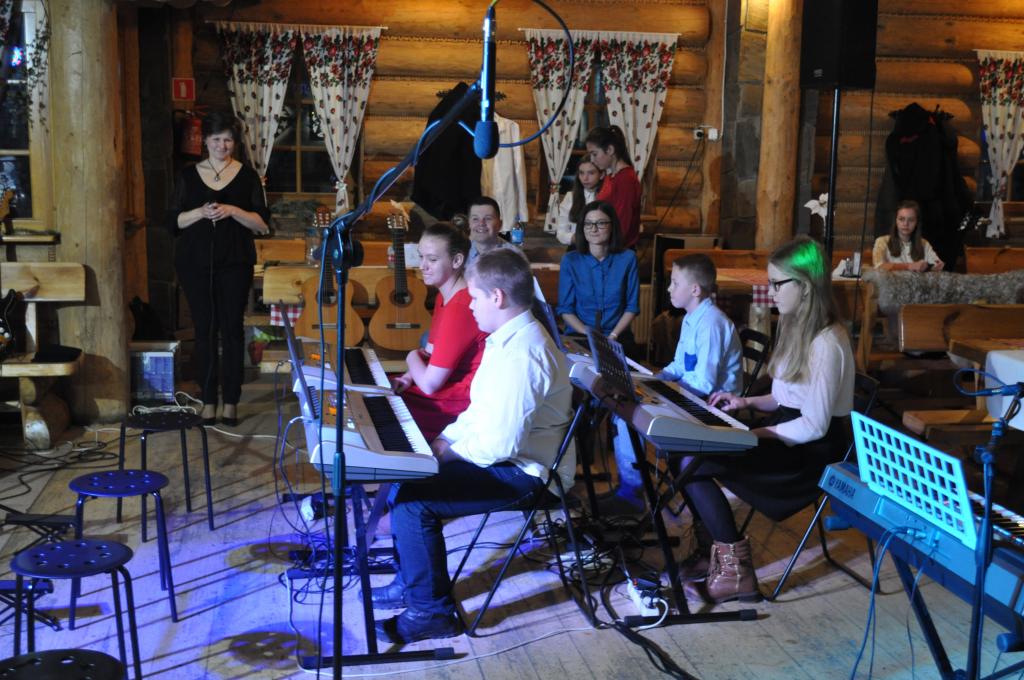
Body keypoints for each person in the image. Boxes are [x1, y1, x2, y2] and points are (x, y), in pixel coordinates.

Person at [372, 248, 575, 644]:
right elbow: (479, 413)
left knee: (414, 503)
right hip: (507, 459)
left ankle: (430, 613)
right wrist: (443, 440)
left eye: (475, 297)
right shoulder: (505, 340)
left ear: (497, 297)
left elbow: (500, 444)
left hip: (528, 474)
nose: (470, 306)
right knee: (407, 476)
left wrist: (445, 454)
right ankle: (412, 585)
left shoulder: (524, 353)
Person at [680, 236, 855, 603]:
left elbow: (814, 425)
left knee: (696, 462)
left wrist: (754, 433)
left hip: (812, 453)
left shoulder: (827, 341)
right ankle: (717, 553)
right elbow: (784, 397)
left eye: (777, 284)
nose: (770, 292)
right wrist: (744, 401)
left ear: (804, 285)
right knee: (687, 448)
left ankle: (736, 573)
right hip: (786, 431)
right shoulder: (794, 324)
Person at [598, 253, 743, 516]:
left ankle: (631, 493)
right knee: (623, 406)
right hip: (694, 396)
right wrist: (655, 380)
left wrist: (660, 393)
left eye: (675, 283)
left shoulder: (712, 324)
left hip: (712, 408)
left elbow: (704, 383)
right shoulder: (691, 317)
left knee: (632, 412)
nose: (669, 288)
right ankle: (629, 488)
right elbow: (679, 365)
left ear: (695, 290)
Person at [167, 111, 270, 426]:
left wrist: (233, 210)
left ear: (234, 142)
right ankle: (209, 398)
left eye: (227, 140)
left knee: (232, 329)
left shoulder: (247, 176)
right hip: (194, 263)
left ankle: (232, 402)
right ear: (205, 141)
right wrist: (200, 212)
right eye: (216, 139)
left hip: (235, 262)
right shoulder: (188, 176)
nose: (222, 146)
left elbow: (262, 224)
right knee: (204, 331)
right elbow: (174, 221)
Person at [391, 223, 488, 441]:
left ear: (457, 261)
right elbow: (430, 352)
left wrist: (410, 356)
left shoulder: (461, 305)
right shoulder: (443, 296)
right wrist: (407, 377)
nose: (422, 266)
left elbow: (429, 384)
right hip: (444, 385)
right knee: (377, 390)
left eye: (432, 259)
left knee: (381, 410)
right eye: (421, 257)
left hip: (459, 399)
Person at [557, 201, 640, 347]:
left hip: (617, 335)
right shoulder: (570, 260)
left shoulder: (628, 258)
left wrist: (613, 336)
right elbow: (565, 309)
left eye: (601, 223)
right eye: (588, 224)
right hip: (580, 335)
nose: (593, 229)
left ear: (612, 226)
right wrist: (588, 334)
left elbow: (632, 307)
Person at [586, 126, 641, 248]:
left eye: (594, 154)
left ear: (610, 150)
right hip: (606, 246)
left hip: (617, 249)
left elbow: (622, 223)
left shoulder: (625, 179)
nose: (592, 160)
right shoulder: (611, 177)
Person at [872, 200, 944, 272]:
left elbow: (936, 263)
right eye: (901, 219)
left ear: (917, 223)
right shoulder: (882, 241)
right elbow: (879, 266)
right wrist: (909, 266)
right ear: (896, 221)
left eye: (911, 220)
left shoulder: (924, 243)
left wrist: (936, 266)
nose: (906, 224)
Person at [555, 159, 602, 246]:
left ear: (601, 174)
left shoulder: (607, 196)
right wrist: (577, 238)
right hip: (577, 247)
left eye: (591, 173)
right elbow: (560, 233)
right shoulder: (570, 197)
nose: (585, 178)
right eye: (581, 173)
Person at [465, 196, 518, 266]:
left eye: (488, 218)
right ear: (469, 224)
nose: (481, 223)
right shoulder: (460, 253)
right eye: (475, 219)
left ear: (500, 224)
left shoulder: (514, 257)